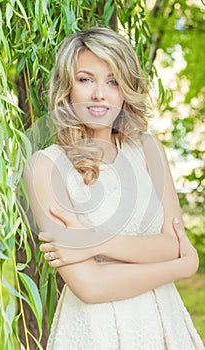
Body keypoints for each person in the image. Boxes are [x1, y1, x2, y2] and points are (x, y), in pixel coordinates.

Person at [24, 27, 204, 350]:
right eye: (85, 79)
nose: (99, 94)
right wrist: (180, 267)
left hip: (164, 322)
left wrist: (91, 242)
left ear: (125, 90)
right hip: (97, 330)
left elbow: (173, 243)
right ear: (67, 86)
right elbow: (90, 285)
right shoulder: (45, 167)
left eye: (113, 81)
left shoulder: (149, 150)